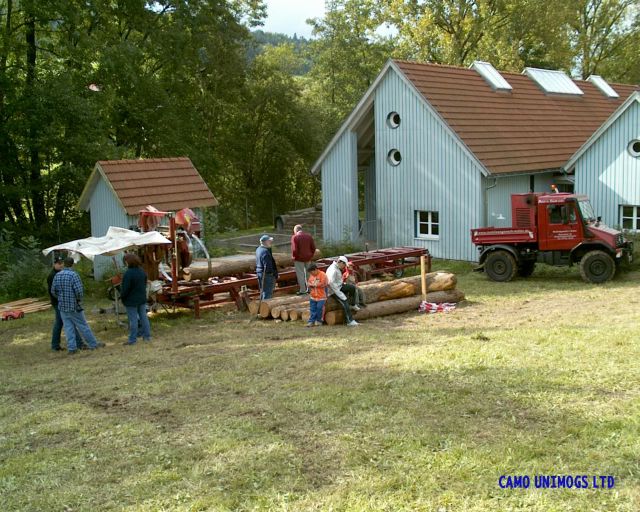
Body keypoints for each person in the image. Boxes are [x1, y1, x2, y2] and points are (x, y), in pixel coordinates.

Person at [51, 257, 105, 354]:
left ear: (64, 264)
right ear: (72, 264)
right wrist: (78, 300)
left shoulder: (57, 275)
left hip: (62, 307)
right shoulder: (73, 275)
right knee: (83, 326)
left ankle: (72, 348)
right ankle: (93, 344)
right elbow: (79, 291)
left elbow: (53, 291)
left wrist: (60, 298)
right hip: (74, 306)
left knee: (68, 328)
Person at [47, 256, 85, 352]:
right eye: (58, 263)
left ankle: (76, 343)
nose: (61, 265)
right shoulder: (52, 275)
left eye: (61, 263)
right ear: (54, 264)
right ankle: (57, 345)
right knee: (63, 323)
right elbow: (54, 291)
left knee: (67, 323)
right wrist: (61, 299)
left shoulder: (60, 273)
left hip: (62, 302)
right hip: (58, 303)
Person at [120, 253, 151, 345]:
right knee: (144, 317)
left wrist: (122, 297)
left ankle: (132, 340)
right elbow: (144, 283)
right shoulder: (142, 271)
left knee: (133, 320)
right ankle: (147, 336)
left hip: (131, 300)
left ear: (127, 262)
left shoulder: (128, 273)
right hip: (141, 298)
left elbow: (125, 289)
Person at [326, 256, 359, 326]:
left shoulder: (337, 267)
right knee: (345, 301)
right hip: (333, 290)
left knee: (352, 288)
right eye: (344, 265)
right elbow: (331, 283)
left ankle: (353, 304)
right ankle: (350, 321)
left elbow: (337, 281)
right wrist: (340, 294)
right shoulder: (333, 270)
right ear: (340, 262)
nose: (344, 267)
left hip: (339, 286)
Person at [291, 224, 316, 295]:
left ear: (295, 230)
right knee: (309, 274)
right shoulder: (309, 236)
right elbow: (313, 248)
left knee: (300, 275)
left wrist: (294, 257)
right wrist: (310, 255)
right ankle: (310, 289)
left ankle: (302, 290)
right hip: (308, 258)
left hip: (298, 259)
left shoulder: (295, 237)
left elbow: (294, 250)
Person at [256, 234, 279, 300]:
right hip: (266, 274)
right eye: (269, 241)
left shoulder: (258, 249)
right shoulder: (265, 252)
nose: (271, 242)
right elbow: (268, 266)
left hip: (260, 272)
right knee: (268, 292)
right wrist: (274, 274)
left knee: (263, 291)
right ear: (265, 242)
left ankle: (263, 306)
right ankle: (266, 306)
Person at [306, 263, 328, 327]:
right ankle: (311, 321)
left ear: (315, 269)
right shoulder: (311, 276)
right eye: (310, 273)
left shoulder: (323, 275)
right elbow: (309, 282)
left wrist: (314, 285)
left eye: (311, 272)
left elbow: (323, 284)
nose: (311, 274)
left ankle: (319, 320)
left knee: (319, 308)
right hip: (313, 296)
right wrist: (310, 285)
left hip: (321, 296)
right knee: (312, 309)